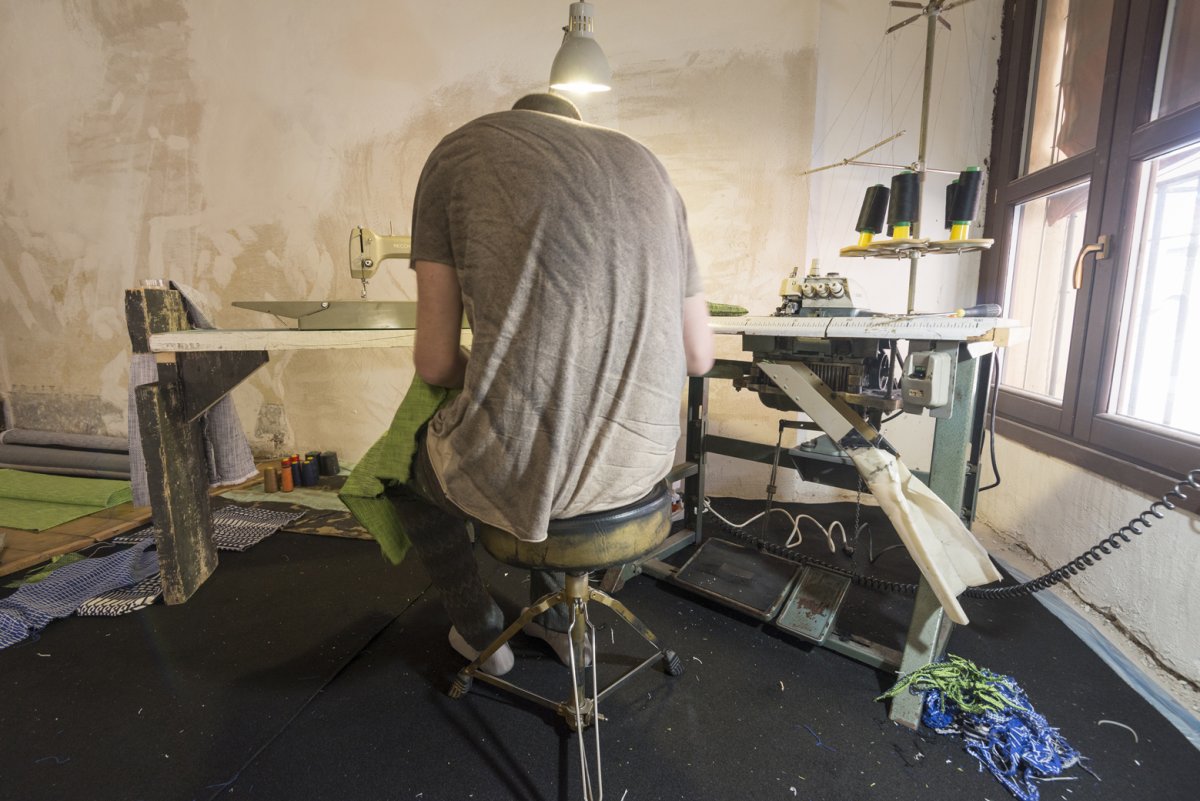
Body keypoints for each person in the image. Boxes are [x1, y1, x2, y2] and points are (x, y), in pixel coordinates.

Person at [392, 91, 715, 675]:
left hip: (526, 475)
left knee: (399, 474)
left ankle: (483, 635)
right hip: (642, 475)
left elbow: (435, 365)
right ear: (578, 127)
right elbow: (699, 358)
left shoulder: (459, 153)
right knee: (557, 437)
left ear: (521, 121)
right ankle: (564, 625)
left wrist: (498, 379)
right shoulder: (651, 169)